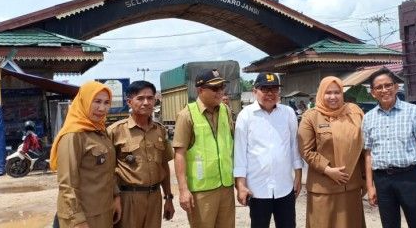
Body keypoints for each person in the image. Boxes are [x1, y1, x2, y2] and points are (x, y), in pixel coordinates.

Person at [362, 67, 416, 228]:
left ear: (396, 87)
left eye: (388, 85)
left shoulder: (413, 112)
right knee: (389, 224)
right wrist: (370, 186)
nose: (384, 90)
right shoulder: (368, 118)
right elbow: (368, 154)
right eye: (379, 87)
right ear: (373, 92)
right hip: (383, 180)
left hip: (410, 178)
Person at [234, 72, 303, 228]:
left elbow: (294, 146)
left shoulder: (288, 113)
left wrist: (298, 175)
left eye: (274, 89)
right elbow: (239, 154)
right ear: (255, 91)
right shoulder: (245, 116)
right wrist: (241, 185)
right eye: (265, 89)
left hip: (284, 187)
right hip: (257, 189)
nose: (270, 93)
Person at [50, 81, 121, 228]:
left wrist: (116, 197)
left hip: (103, 211)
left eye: (106, 102)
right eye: (97, 101)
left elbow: (108, 171)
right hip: (82, 216)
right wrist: (77, 219)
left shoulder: (101, 132)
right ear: (84, 101)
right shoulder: (73, 135)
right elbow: (67, 184)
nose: (102, 108)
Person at [298, 76, 366, 228]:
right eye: (328, 93)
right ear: (321, 93)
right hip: (323, 187)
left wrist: (366, 179)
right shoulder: (311, 116)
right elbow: (306, 150)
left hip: (351, 186)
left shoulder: (354, 113)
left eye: (337, 92)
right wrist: (328, 170)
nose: (333, 97)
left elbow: (364, 149)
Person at [107, 80, 175, 227]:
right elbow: (108, 171)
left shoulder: (160, 130)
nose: (146, 102)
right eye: (140, 98)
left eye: (150, 98)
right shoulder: (115, 131)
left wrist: (168, 197)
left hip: (154, 197)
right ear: (129, 102)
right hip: (128, 198)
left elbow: (164, 166)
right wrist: (115, 197)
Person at [172, 69, 235, 228]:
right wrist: (183, 190)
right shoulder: (187, 115)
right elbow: (179, 154)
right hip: (201, 191)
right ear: (200, 90)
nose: (220, 92)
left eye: (222, 87)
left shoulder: (225, 111)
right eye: (215, 88)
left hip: (226, 187)